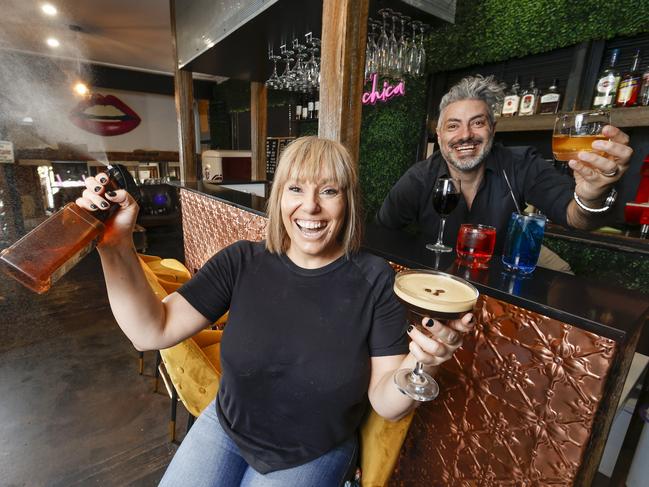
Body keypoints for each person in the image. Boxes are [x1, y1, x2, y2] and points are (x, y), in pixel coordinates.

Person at [76, 136, 475, 487]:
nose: (311, 207)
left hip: (313, 449)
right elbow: (151, 331)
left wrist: (423, 362)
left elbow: (386, 404)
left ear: (348, 200)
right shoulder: (242, 261)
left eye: (330, 191)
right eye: (296, 189)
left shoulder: (374, 280)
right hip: (225, 425)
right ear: (279, 197)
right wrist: (116, 247)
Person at [376, 75, 633, 259]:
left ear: (493, 130)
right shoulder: (420, 178)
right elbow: (381, 232)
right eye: (453, 126)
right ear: (440, 135)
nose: (465, 135)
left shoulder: (520, 164)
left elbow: (575, 217)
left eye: (477, 123)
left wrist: (592, 196)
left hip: (496, 273)